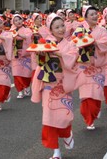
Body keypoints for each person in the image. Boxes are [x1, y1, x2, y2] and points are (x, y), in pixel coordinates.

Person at [31, 13, 78, 159]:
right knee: (49, 117)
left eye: (62, 25)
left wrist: (58, 54)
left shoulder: (70, 44)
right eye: (56, 27)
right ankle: (56, 151)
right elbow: (38, 60)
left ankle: (66, 133)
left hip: (63, 83)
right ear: (50, 29)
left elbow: (72, 59)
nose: (60, 29)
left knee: (65, 116)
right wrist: (42, 53)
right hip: (49, 83)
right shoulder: (45, 43)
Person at [74, 6, 107, 130]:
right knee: (86, 95)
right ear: (85, 17)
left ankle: (94, 113)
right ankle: (88, 119)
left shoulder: (102, 30)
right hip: (84, 67)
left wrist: (93, 42)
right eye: (91, 14)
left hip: (97, 67)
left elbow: (105, 43)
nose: (95, 16)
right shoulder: (79, 30)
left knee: (96, 93)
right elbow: (73, 44)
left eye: (96, 14)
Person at [11, 14, 33, 99]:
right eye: (15, 20)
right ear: (13, 22)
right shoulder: (11, 31)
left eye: (19, 19)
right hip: (16, 54)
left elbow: (29, 37)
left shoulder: (27, 30)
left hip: (25, 54)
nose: (18, 22)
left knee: (26, 73)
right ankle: (19, 90)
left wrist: (19, 35)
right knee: (16, 73)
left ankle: (27, 86)